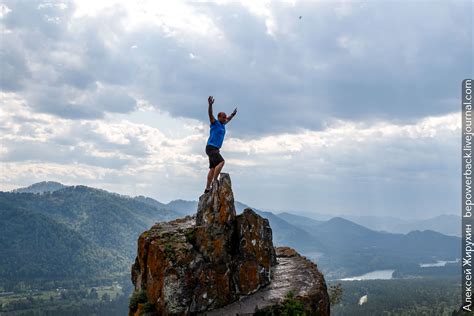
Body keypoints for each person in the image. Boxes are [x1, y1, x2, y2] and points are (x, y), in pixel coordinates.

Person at [204, 96, 237, 193]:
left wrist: (232, 115)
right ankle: (214, 182)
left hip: (214, 149)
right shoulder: (215, 123)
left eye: (225, 117)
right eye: (223, 117)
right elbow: (210, 114)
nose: (225, 118)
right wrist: (210, 105)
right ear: (218, 117)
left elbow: (229, 119)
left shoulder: (223, 124)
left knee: (213, 168)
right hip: (211, 147)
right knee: (221, 162)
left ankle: (207, 188)